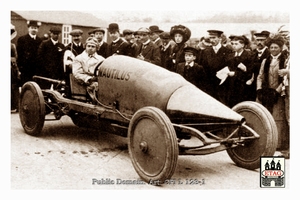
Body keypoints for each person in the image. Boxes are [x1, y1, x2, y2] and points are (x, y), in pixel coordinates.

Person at [256, 35, 289, 158]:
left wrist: (277, 91)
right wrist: (259, 89)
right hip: (266, 92)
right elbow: (260, 76)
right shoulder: (265, 61)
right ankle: (265, 141)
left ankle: (278, 144)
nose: (273, 49)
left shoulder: (285, 60)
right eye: (271, 47)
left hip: (278, 94)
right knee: (264, 115)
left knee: (278, 118)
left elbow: (285, 77)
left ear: (280, 48)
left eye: (276, 47)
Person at [199, 29, 232, 102]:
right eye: (210, 38)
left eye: (214, 38)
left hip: (223, 85)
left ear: (220, 38)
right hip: (209, 85)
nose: (211, 40)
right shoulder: (205, 52)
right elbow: (201, 67)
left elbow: (230, 66)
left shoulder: (227, 51)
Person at [72, 37, 105, 102]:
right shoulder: (79, 58)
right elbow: (77, 73)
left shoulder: (101, 59)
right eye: (88, 46)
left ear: (97, 48)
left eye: (93, 46)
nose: (90, 48)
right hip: (84, 82)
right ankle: (96, 102)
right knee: (96, 87)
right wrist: (89, 79)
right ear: (85, 46)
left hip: (99, 81)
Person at [225, 35, 254, 107]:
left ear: (242, 45)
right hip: (231, 86)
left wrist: (236, 73)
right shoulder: (230, 56)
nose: (233, 46)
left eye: (236, 44)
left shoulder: (249, 55)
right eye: (232, 44)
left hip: (243, 86)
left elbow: (250, 72)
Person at [16, 20, 42, 85]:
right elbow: (19, 54)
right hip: (25, 69)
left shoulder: (40, 41)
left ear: (37, 30)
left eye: (35, 28)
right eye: (32, 28)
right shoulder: (22, 39)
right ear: (28, 29)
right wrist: (20, 68)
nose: (34, 30)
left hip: (36, 69)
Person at [248, 31, 270, 101]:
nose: (259, 42)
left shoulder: (269, 53)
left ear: (266, 41)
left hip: (264, 84)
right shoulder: (253, 53)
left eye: (262, 40)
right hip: (252, 84)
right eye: (258, 40)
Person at [11, 24, 20, 112]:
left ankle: (14, 105)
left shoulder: (12, 46)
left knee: (13, 86)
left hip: (11, 68)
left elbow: (15, 57)